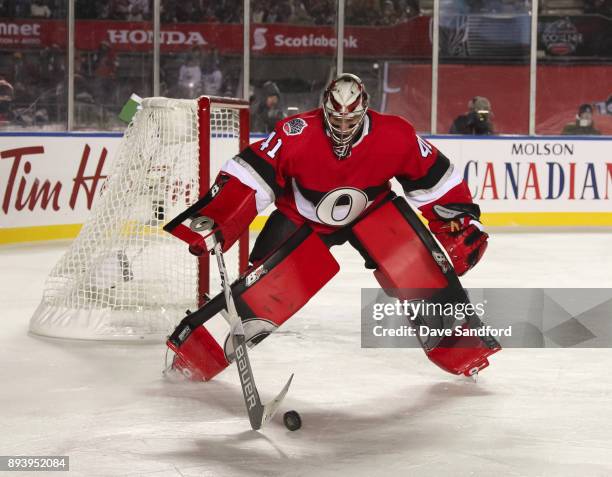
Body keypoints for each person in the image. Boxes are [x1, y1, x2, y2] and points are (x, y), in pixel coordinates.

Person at [164, 73, 497, 382]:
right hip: (301, 215)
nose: (342, 126)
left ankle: (464, 351)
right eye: (335, 118)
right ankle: (194, 357)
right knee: (260, 290)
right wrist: (219, 216)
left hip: (372, 213)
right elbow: (252, 173)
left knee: (419, 273)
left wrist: (458, 219)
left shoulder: (396, 134)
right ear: (324, 109)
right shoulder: (295, 132)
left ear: (365, 111)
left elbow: (435, 178)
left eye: (350, 119)